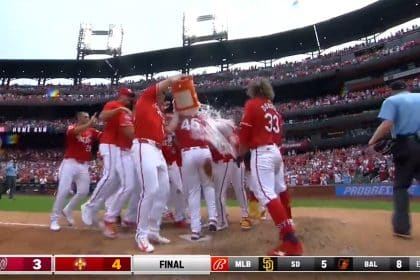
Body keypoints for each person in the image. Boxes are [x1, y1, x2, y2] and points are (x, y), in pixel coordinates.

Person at [238, 78, 303, 256]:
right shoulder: (274, 109)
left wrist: (240, 154)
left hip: (261, 152)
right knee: (280, 189)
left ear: (253, 90)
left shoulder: (252, 104)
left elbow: (244, 133)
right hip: (275, 151)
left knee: (265, 194)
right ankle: (289, 222)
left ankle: (291, 241)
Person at [132, 76, 183, 253]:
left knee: (163, 191)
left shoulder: (159, 113)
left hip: (157, 150)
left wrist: (176, 112)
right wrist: (175, 79)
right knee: (150, 190)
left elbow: (169, 130)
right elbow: (165, 83)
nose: (164, 97)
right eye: (162, 94)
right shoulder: (145, 99)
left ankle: (153, 231)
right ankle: (141, 234)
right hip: (143, 146)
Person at [369, 80, 420, 239]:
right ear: (407, 88)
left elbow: (387, 124)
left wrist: (372, 142)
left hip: (406, 145)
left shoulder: (391, 100)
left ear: (392, 91)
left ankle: (402, 228)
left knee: (401, 187)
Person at [81, 88, 134, 226]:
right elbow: (103, 116)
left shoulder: (127, 112)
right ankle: (89, 206)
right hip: (108, 142)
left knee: (116, 181)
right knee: (110, 176)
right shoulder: (113, 104)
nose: (129, 99)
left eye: (131, 97)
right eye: (128, 96)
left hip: (118, 146)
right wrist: (119, 110)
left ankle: (98, 207)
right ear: (121, 95)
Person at [50, 112, 100, 231]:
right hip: (70, 163)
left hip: (84, 165)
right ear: (79, 118)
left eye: (89, 117)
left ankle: (68, 209)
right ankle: (54, 219)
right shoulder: (71, 128)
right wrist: (89, 123)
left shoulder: (92, 131)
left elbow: (104, 136)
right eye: (85, 117)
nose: (88, 118)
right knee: (64, 190)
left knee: (83, 191)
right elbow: (75, 132)